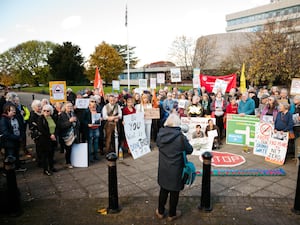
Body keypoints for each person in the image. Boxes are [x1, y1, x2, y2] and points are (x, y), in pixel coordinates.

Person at [156, 113, 193, 221]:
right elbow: (190, 150)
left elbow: (158, 144)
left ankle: (160, 211)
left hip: (163, 167)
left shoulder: (160, 134)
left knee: (163, 189)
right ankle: (172, 214)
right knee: (174, 191)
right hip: (176, 168)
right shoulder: (181, 137)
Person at [0, 104, 27, 172]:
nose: (14, 111)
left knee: (16, 154)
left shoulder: (16, 117)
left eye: (14, 110)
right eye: (12, 110)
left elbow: (21, 127)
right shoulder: (4, 120)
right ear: (7, 111)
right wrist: (17, 137)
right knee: (10, 156)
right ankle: (7, 171)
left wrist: (21, 135)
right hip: (9, 142)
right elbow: (5, 133)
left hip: (17, 140)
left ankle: (17, 167)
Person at [57, 102, 79, 168]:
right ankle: (68, 162)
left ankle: (75, 161)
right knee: (68, 149)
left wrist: (77, 122)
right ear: (65, 107)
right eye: (68, 107)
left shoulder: (73, 113)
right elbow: (60, 126)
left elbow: (78, 122)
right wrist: (69, 121)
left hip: (74, 133)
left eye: (71, 106)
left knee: (74, 148)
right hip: (67, 135)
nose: (70, 108)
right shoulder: (62, 115)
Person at [37, 104, 57, 176]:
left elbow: (56, 126)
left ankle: (51, 167)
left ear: (50, 111)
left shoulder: (52, 117)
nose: (45, 112)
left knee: (51, 154)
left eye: (47, 111)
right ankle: (45, 170)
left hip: (53, 138)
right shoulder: (40, 119)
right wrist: (50, 135)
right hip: (44, 139)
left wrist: (54, 134)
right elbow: (41, 129)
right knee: (45, 155)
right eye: (44, 110)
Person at [82, 97, 102, 163]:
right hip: (90, 129)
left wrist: (100, 119)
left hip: (96, 128)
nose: (93, 105)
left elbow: (100, 117)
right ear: (89, 104)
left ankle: (96, 155)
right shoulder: (86, 111)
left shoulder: (98, 110)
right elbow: (82, 120)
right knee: (90, 143)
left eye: (94, 103)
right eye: (92, 102)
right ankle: (90, 157)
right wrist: (87, 124)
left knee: (96, 142)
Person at [28, 99, 43, 167]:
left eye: (40, 106)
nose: (40, 107)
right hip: (37, 134)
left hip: (43, 133)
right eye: (38, 106)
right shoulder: (33, 115)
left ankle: (44, 160)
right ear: (34, 107)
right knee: (39, 148)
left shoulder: (41, 113)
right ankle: (40, 161)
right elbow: (32, 125)